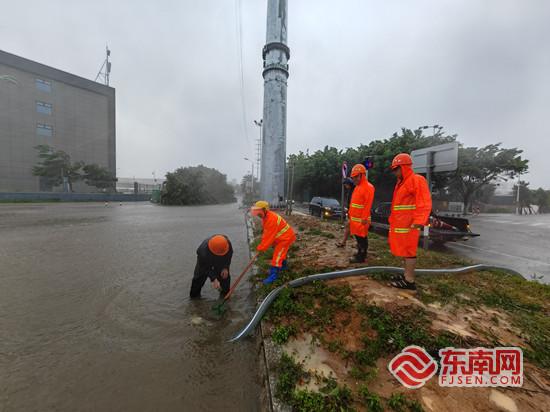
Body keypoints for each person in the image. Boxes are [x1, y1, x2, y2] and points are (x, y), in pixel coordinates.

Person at [388, 153, 432, 291]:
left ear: (404, 167)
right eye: (393, 170)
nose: (395, 172)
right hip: (401, 225)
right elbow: (398, 205)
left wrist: (419, 221)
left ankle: (409, 280)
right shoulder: (401, 184)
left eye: (396, 169)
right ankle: (405, 275)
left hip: (410, 225)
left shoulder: (416, 180)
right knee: (404, 251)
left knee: (409, 252)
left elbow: (424, 202)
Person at [251, 200, 296, 284]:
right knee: (280, 253)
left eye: (259, 213)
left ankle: (273, 276)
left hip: (285, 239)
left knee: (277, 257)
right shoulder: (266, 217)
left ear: (265, 210)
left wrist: (261, 248)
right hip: (280, 238)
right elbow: (266, 234)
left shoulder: (271, 219)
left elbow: (269, 237)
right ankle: (284, 266)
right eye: (257, 213)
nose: (258, 215)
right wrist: (261, 246)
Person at [189, 234, 233, 299]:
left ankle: (225, 295)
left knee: (224, 276)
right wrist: (213, 279)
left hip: (222, 260)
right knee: (198, 278)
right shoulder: (202, 252)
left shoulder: (226, 243)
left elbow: (229, 255)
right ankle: (194, 297)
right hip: (204, 262)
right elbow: (206, 268)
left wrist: (225, 267)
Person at [348, 164, 375, 263]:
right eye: (353, 177)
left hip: (361, 220)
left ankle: (361, 257)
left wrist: (363, 218)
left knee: (362, 239)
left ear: (362, 175)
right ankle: (360, 253)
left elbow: (367, 204)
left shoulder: (368, 187)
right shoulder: (358, 187)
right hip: (356, 220)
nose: (354, 179)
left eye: (356, 177)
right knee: (359, 239)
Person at [337, 177, 355, 248]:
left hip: (355, 213)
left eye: (345, 185)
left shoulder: (354, 189)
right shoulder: (350, 190)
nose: (345, 186)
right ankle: (344, 242)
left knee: (353, 229)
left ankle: (345, 242)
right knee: (348, 227)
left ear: (348, 183)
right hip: (351, 212)